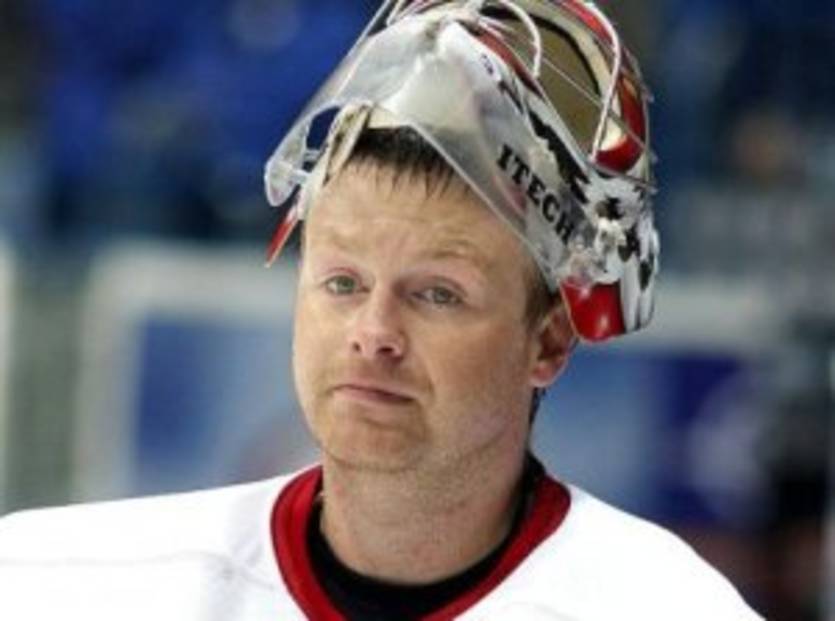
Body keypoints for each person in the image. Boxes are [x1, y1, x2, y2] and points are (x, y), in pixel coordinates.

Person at [0, 1, 762, 619]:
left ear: (549, 340)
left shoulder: (665, 607)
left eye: (437, 294)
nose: (373, 334)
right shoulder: (57, 583)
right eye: (341, 283)